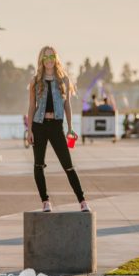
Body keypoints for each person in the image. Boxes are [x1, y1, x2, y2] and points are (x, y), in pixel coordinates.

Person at [26, 45, 90, 213]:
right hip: (39, 125)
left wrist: (70, 127)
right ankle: (45, 202)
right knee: (38, 165)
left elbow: (67, 105)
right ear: (41, 60)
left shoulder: (64, 80)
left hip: (56, 126)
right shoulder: (35, 81)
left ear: (56, 59)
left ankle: (82, 201)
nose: (49, 60)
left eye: (51, 57)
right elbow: (32, 106)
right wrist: (30, 130)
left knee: (68, 165)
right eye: (45, 57)